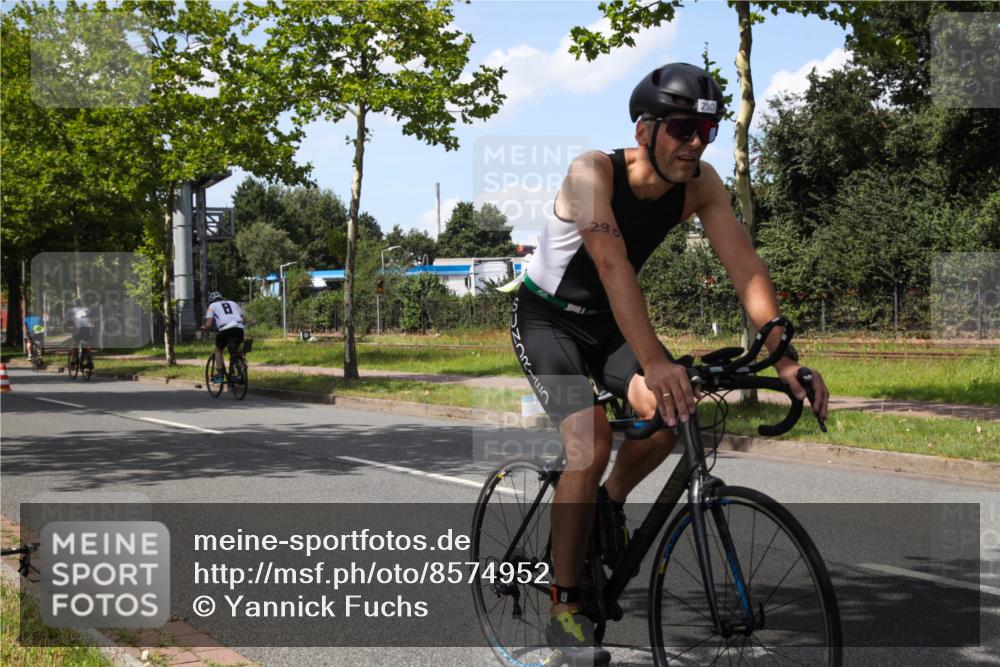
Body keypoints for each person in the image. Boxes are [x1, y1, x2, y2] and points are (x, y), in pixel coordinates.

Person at [510, 62, 830, 665]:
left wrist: (786, 359)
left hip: (606, 326)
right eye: (682, 129)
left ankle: (605, 502)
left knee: (671, 410)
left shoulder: (702, 183)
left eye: (705, 133)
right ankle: (564, 607)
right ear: (645, 130)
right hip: (548, 319)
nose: (695, 144)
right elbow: (610, 264)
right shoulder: (591, 172)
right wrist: (655, 359)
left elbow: (745, 267)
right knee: (589, 435)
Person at [200, 291, 245, 384]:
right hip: (239, 328)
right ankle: (241, 369)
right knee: (236, 348)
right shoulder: (233, 303)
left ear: (211, 301)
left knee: (218, 350)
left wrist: (204, 328)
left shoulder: (212, 306)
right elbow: (242, 317)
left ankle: (220, 375)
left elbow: (209, 324)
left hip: (225, 330)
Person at [64, 298, 95, 367]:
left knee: (75, 343)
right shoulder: (87, 309)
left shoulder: (71, 311)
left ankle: (72, 360)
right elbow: (93, 321)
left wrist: (65, 330)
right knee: (88, 344)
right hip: (88, 329)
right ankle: (89, 360)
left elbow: (65, 322)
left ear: (74, 304)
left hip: (78, 329)